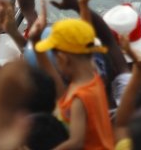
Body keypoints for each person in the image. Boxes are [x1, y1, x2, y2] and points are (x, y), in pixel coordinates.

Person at [33, 18, 116, 150]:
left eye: (55, 58)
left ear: (62, 59)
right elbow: (85, 44)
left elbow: (76, 142)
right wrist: (35, 41)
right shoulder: (93, 78)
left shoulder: (79, 98)